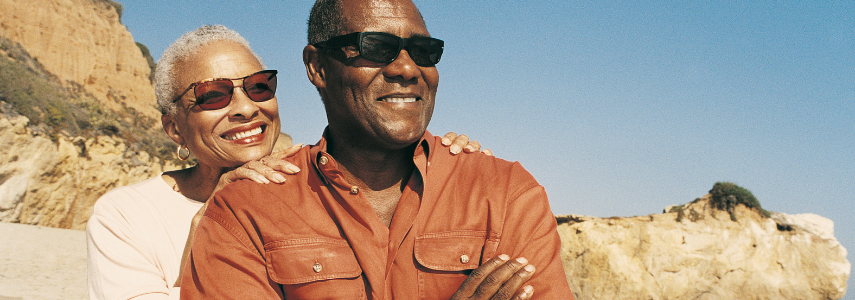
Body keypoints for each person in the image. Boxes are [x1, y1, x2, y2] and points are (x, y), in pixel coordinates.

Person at [180, 0, 574, 299]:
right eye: (376, 46)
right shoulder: (245, 213)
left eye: (424, 51)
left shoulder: (505, 194)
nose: (406, 68)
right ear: (316, 66)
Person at [85, 25, 485, 300]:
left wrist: (447, 162)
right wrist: (214, 220)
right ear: (174, 129)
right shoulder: (124, 217)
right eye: (213, 96)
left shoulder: (322, 180)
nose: (246, 108)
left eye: (259, 87)